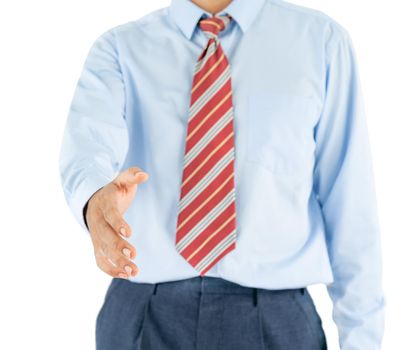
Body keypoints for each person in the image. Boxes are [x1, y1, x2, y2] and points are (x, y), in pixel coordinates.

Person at [58, 0, 386, 349]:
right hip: (144, 314)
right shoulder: (120, 49)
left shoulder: (321, 42)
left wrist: (361, 339)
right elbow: (87, 148)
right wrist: (95, 199)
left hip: (276, 320)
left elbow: (349, 201)